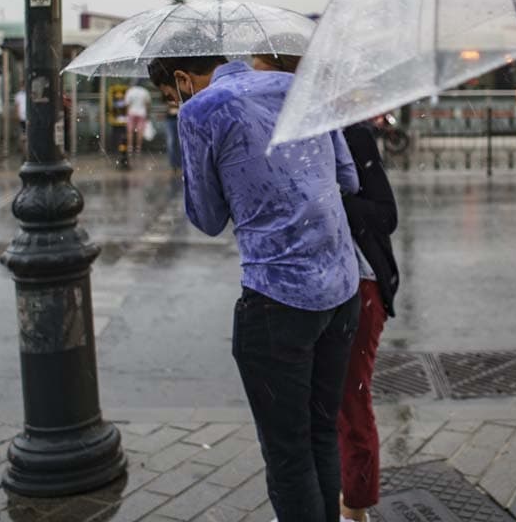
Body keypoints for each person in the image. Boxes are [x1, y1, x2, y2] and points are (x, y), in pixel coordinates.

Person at [148, 54, 361, 522]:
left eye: (170, 94)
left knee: (287, 453)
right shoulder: (299, 87)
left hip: (277, 300)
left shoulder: (199, 110)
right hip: (342, 291)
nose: (175, 102)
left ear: (183, 79)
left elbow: (206, 218)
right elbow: (350, 177)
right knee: (321, 433)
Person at [253, 53, 400, 522]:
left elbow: (384, 214)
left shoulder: (349, 133)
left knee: (347, 405)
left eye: (265, 72)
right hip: (294, 288)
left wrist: (327, 196)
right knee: (299, 410)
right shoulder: (274, 139)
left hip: (358, 284)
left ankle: (356, 509)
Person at [124, 81, 151, 156]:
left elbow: (127, 104)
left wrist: (127, 114)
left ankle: (130, 148)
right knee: (140, 132)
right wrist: (147, 114)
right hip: (142, 113)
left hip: (131, 113)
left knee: (130, 131)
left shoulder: (130, 91)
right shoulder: (145, 91)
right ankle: (138, 148)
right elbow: (147, 104)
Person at [14, 84, 27, 157]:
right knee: (23, 133)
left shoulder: (30, 94)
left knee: (26, 133)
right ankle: (22, 149)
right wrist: (17, 115)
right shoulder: (18, 95)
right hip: (22, 117)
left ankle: (26, 149)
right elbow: (17, 106)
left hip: (28, 117)